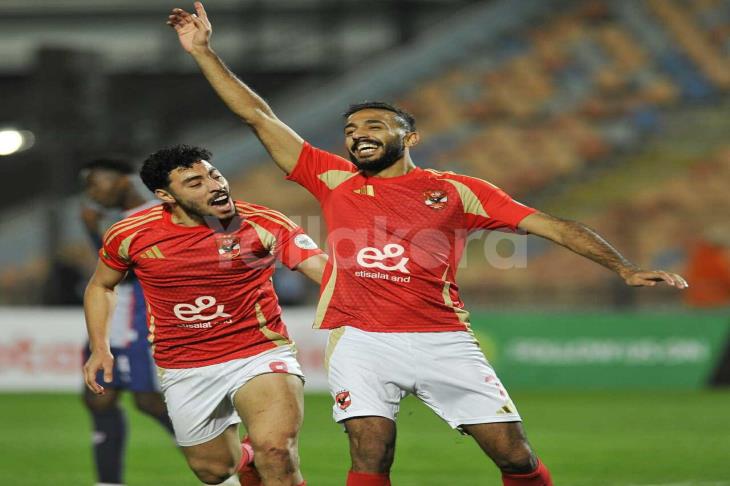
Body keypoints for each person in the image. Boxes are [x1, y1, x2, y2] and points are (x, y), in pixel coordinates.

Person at [167, 4, 689, 485]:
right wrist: (204, 53)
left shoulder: (457, 190)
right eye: (351, 128)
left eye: (375, 125)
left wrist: (621, 267)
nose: (358, 134)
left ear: (409, 137)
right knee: (371, 455)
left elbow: (549, 224)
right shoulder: (331, 177)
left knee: (514, 455)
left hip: (443, 338)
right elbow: (259, 117)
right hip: (361, 339)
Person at [83, 145, 327, 486]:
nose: (215, 185)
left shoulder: (260, 222)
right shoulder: (130, 233)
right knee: (213, 471)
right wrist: (100, 347)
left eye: (214, 175)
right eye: (195, 182)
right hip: (184, 364)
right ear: (164, 195)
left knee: (276, 451)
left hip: (258, 352)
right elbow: (101, 287)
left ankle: (262, 450)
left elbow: (324, 271)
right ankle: (247, 455)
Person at [80, 157, 176, 486]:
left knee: (149, 401)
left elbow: (135, 269)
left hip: (141, 317)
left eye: (97, 183)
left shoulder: (155, 214)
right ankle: (108, 482)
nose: (93, 193)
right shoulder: (120, 219)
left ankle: (219, 459)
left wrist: (94, 234)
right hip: (111, 318)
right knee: (98, 396)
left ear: (122, 181)